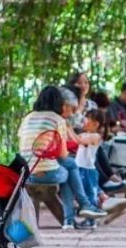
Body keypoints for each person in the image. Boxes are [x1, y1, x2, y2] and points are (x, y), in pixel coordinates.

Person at [20, 86, 107, 229]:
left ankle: (70, 220)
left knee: (67, 170)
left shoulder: (27, 118)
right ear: (59, 103)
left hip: (27, 174)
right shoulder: (56, 119)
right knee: (71, 165)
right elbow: (63, 154)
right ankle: (81, 208)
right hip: (48, 174)